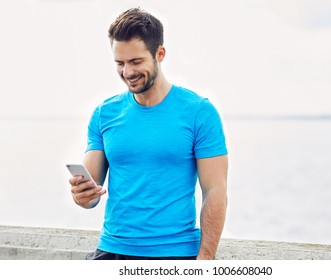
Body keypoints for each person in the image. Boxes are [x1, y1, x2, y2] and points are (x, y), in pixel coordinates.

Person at [68, 8, 228, 260]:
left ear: (160, 54)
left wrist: (205, 261)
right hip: (112, 250)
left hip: (175, 253)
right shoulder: (104, 114)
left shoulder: (199, 112)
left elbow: (215, 191)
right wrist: (81, 194)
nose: (127, 72)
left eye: (136, 62)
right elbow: (90, 195)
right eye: (120, 63)